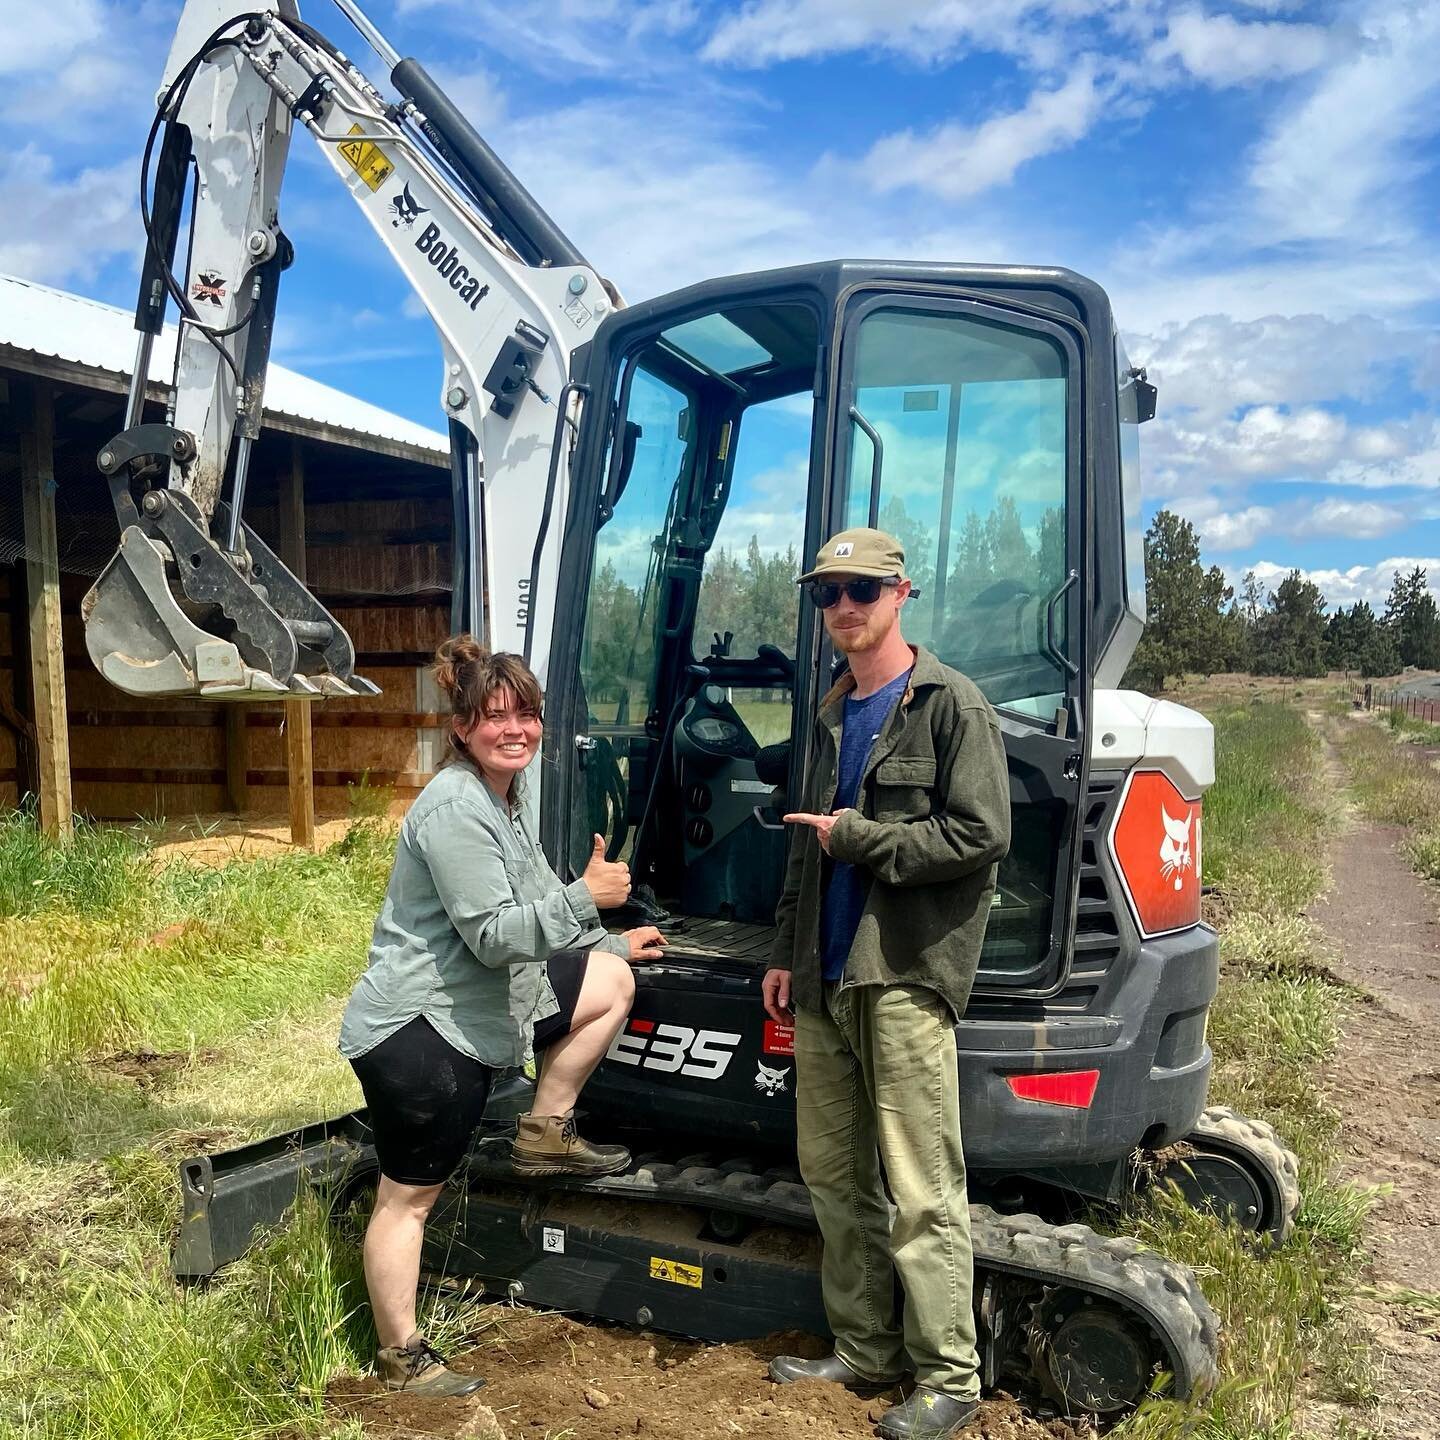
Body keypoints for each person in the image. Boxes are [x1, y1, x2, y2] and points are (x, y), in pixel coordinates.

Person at [338, 636, 665, 1396]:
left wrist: (610, 936)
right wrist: (590, 897)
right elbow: (492, 937)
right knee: (408, 1200)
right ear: (461, 728)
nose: (513, 729)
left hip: (482, 1011)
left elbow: (540, 901)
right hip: (423, 1031)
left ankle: (544, 1132)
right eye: (494, 717)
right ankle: (402, 1359)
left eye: (525, 715)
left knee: (611, 980)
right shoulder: (456, 807)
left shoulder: (505, 799)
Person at [762, 528, 1011, 1440]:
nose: (842, 609)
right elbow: (806, 845)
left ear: (901, 593)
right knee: (833, 1175)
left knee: (919, 1187)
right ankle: (864, 1347)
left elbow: (980, 837)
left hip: (900, 975)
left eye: (860, 589)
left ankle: (949, 1376)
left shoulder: (951, 706)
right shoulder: (831, 714)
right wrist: (785, 952)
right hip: (827, 981)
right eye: (827, 594)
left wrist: (861, 839)